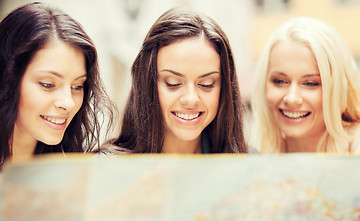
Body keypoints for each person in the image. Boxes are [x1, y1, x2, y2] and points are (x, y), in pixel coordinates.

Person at [102, 7, 248, 154]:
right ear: (146, 84)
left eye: (206, 84)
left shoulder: (247, 166)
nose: (191, 99)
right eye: (173, 83)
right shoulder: (106, 167)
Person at [0, 2, 116, 168]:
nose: (68, 103)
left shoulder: (72, 173)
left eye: (77, 86)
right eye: (48, 84)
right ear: (7, 77)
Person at [250, 16, 360, 153]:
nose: (292, 98)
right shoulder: (259, 156)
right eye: (279, 81)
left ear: (338, 88)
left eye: (310, 83)